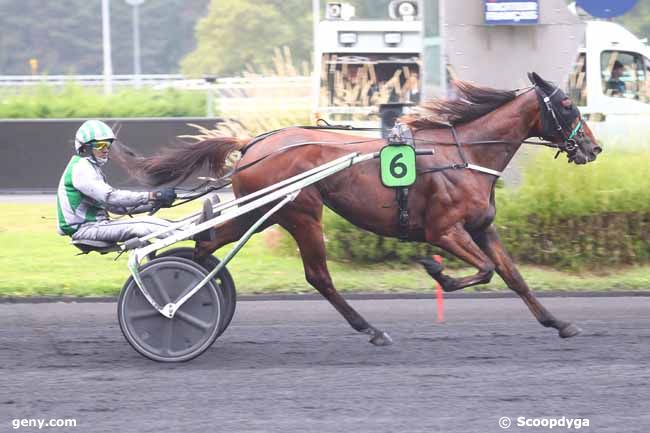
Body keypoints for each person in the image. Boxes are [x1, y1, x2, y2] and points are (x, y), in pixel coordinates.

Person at [56, 120, 181, 244]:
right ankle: (193, 235)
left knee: (148, 223)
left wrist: (154, 203)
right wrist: (152, 196)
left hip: (95, 226)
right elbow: (111, 197)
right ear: (85, 148)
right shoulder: (80, 168)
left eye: (108, 145)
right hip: (85, 229)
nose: (106, 150)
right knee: (144, 224)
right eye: (100, 145)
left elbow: (116, 208)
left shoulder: (90, 168)